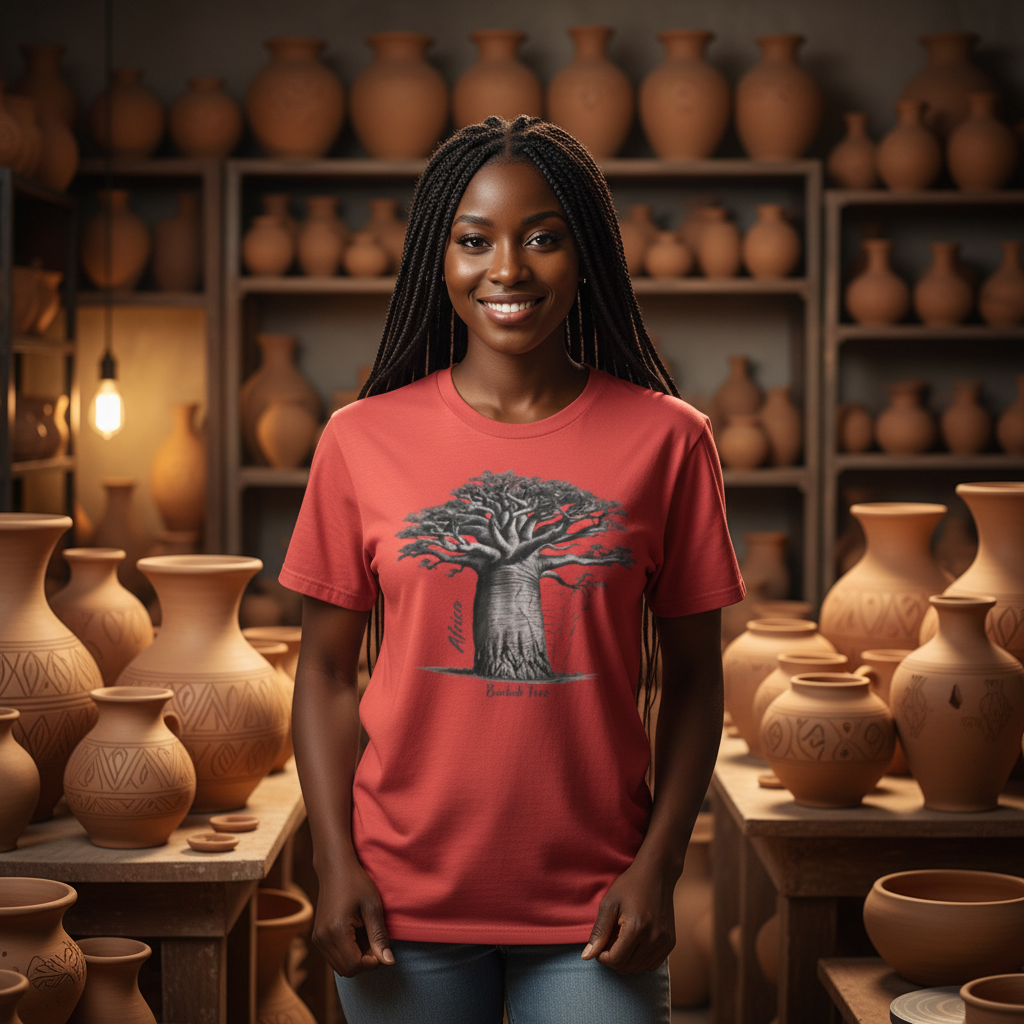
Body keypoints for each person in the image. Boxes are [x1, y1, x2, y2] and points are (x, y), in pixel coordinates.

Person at [280, 115, 745, 1024]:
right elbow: (328, 673)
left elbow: (694, 679)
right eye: (474, 240)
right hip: (399, 905)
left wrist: (661, 865)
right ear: (436, 259)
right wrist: (334, 866)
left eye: (542, 237)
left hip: (598, 912)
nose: (508, 269)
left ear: (587, 255)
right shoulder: (359, 439)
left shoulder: (670, 440)